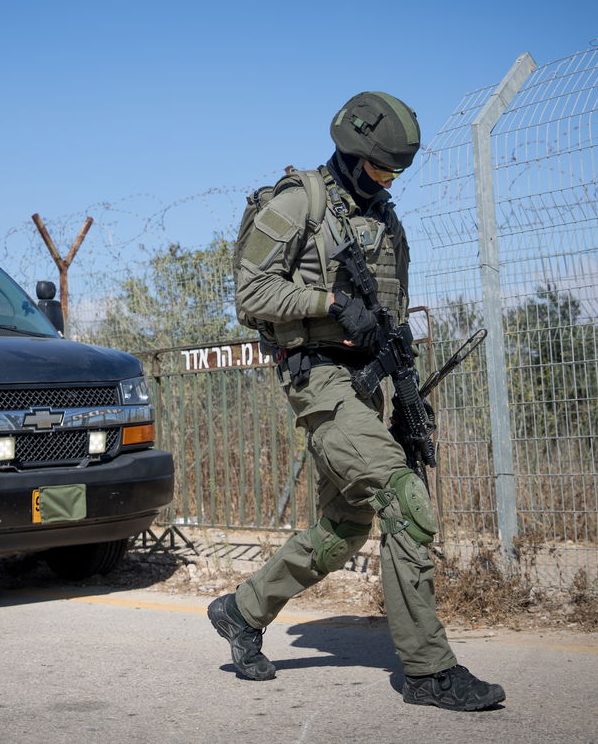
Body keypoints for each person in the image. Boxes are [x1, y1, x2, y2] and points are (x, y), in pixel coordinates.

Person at [208, 91, 505, 711]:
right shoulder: (299, 203)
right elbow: (250, 294)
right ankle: (427, 671)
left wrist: (402, 396)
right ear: (348, 150)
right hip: (319, 379)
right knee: (405, 500)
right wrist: (330, 305)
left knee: (343, 528)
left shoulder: (385, 218)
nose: (385, 180)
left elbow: (388, 316)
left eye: (395, 172)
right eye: (376, 168)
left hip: (370, 384)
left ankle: (242, 610)